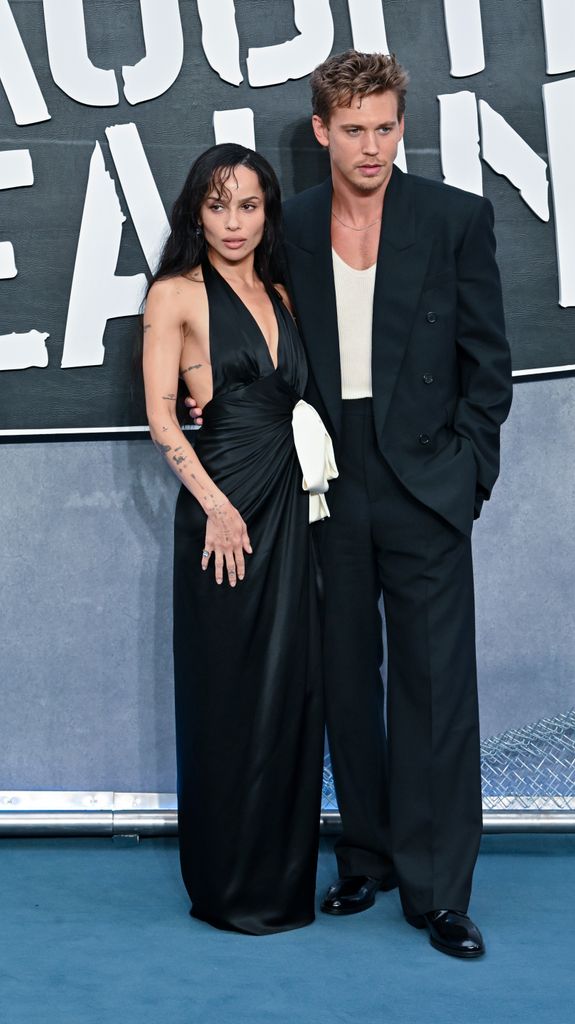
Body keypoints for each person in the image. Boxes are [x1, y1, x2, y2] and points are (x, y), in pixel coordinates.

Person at [189, 51, 513, 958]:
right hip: (321, 478)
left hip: (425, 479)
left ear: (401, 126)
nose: (373, 147)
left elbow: (489, 369)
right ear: (322, 131)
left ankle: (440, 888)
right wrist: (196, 389)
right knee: (341, 674)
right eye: (355, 129)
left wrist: (468, 473)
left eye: (387, 127)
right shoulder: (284, 225)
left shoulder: (455, 218)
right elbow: (231, 318)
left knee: (436, 686)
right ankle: (365, 856)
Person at [143, 143, 333, 935]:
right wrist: (218, 508)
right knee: (229, 695)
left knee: (290, 693)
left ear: (268, 212)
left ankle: (282, 880)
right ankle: (226, 882)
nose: (232, 222)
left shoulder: (283, 292)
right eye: (217, 205)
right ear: (196, 210)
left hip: (289, 512)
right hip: (223, 513)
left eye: (248, 206)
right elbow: (161, 415)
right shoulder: (176, 295)